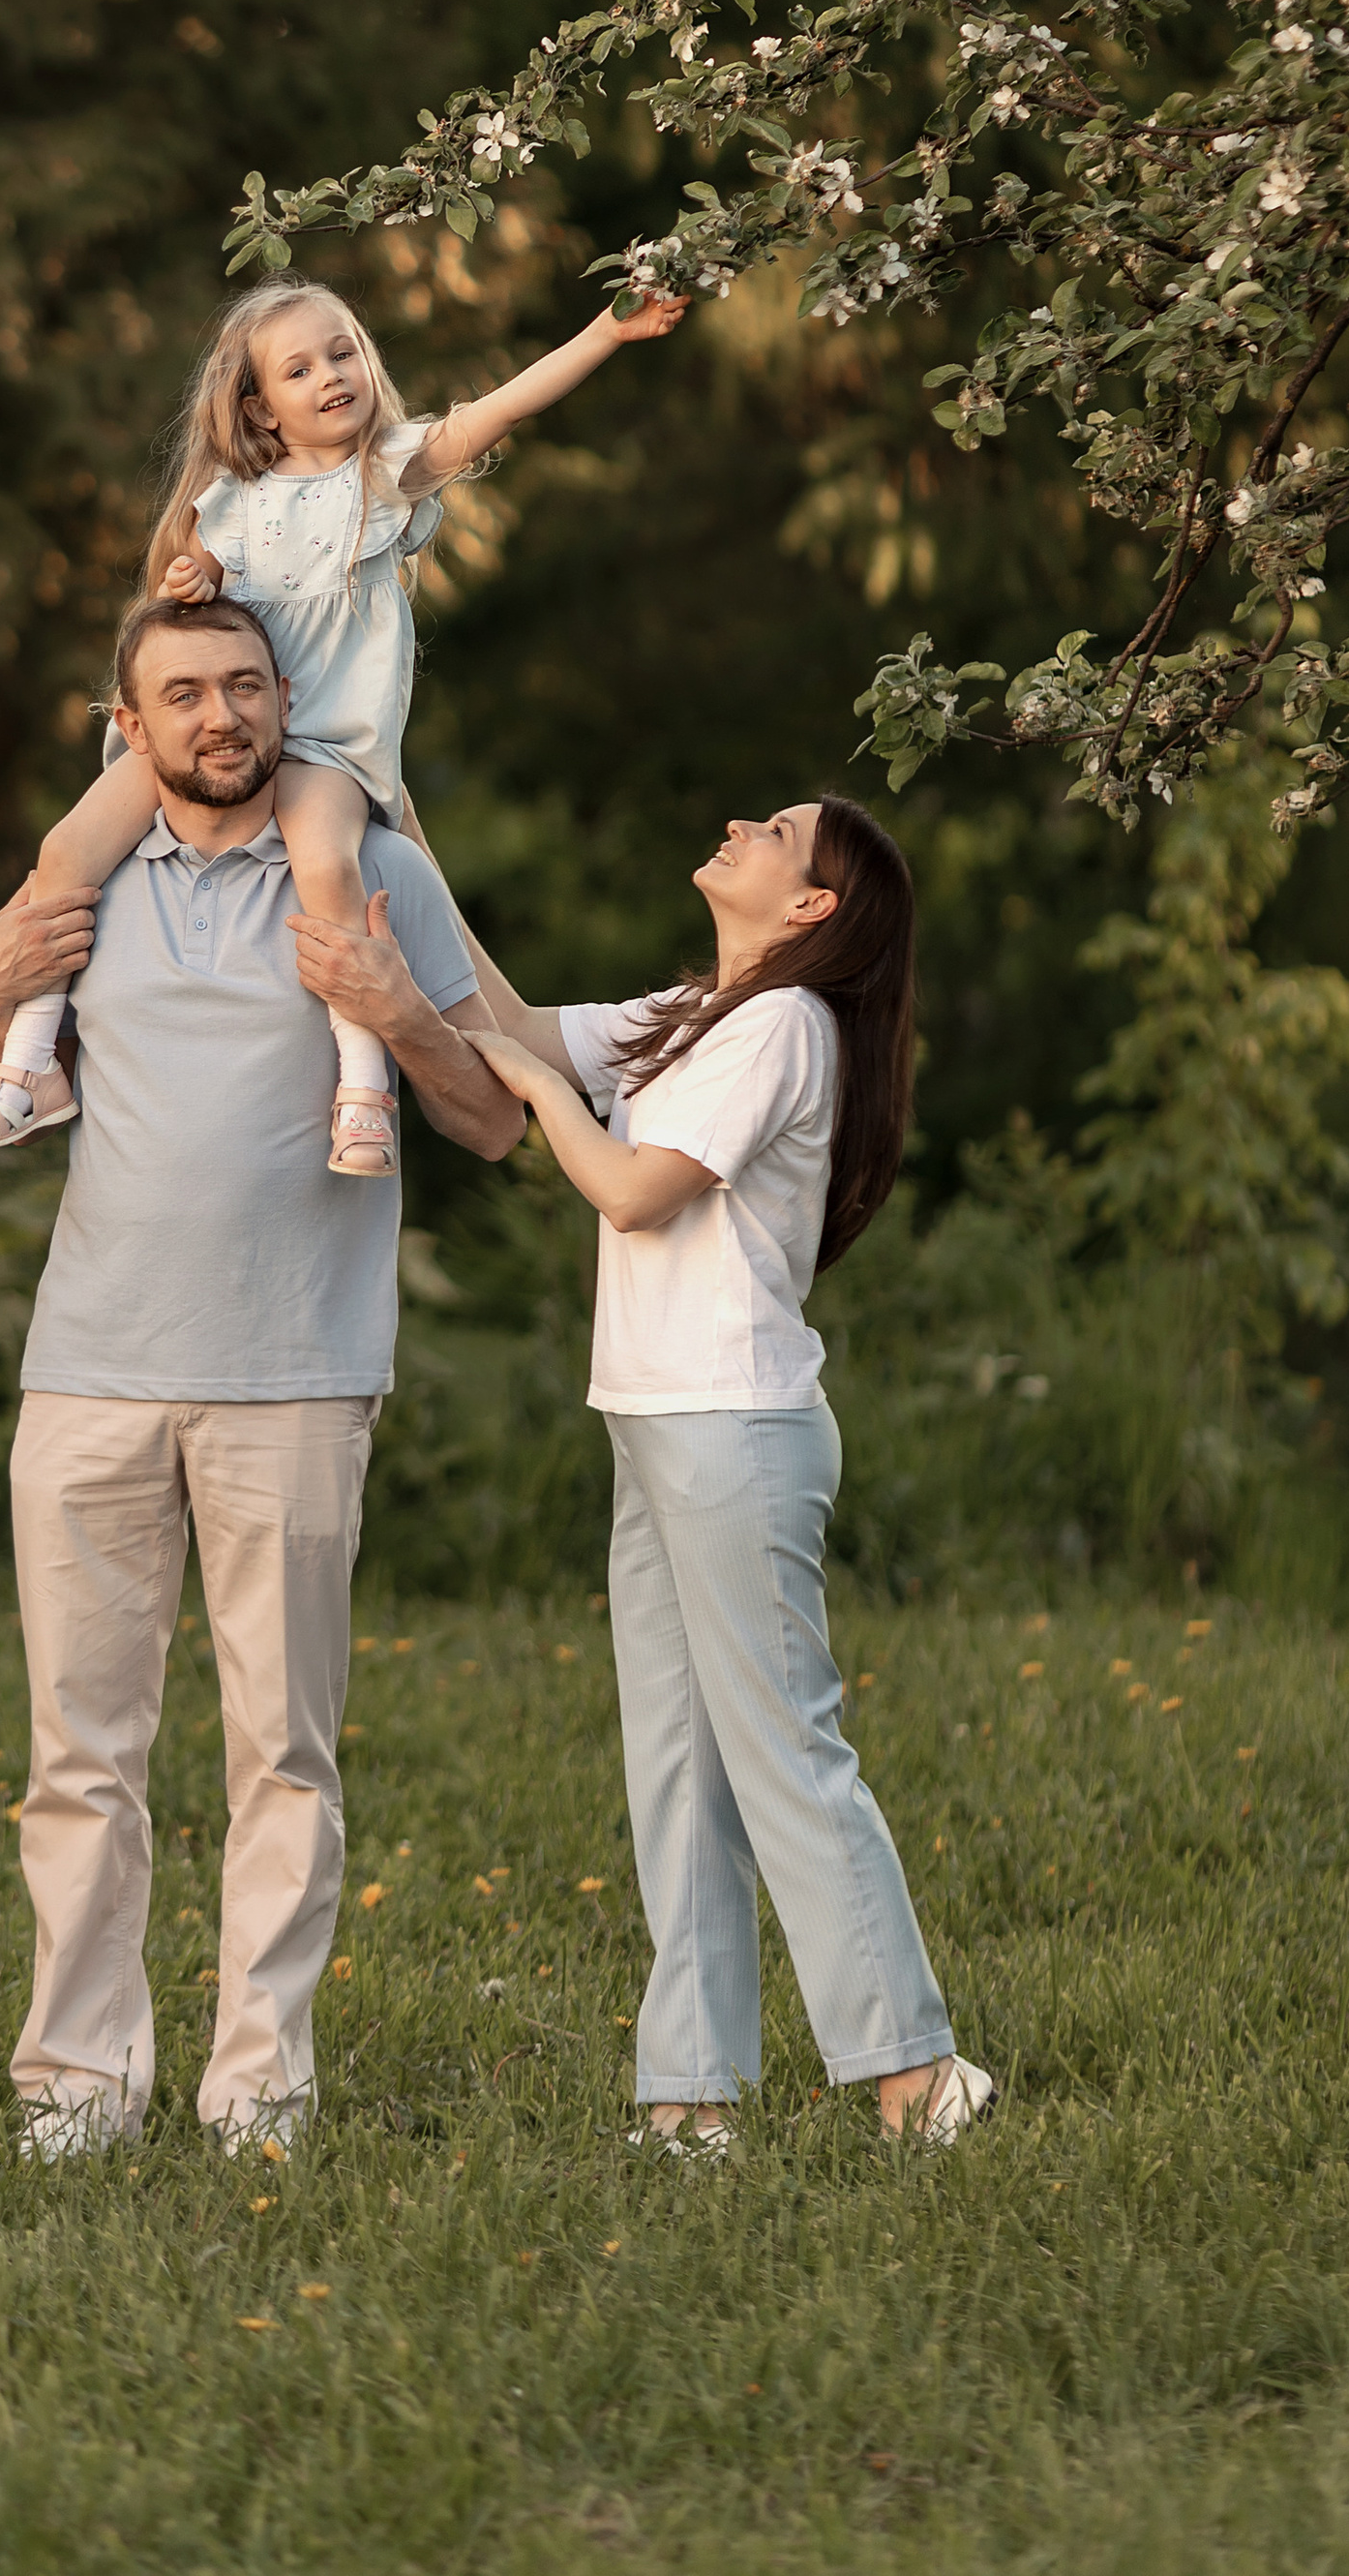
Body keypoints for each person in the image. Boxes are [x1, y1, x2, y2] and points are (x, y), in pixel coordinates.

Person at [0, 591, 525, 2157]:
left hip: (297, 1370)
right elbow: (2, 1059)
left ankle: (257, 2087)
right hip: (89, 1369)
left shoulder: (379, 866)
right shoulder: (86, 886)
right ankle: (77, 2085)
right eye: (184, 697)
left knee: (283, 1750)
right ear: (128, 729)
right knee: (80, 1753)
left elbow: (492, 1123)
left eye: (245, 688)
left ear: (288, 698)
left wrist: (393, 1007)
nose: (221, 719)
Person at [458, 800, 997, 2153]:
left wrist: (537, 1101)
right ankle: (691, 2096)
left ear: (813, 906)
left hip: (733, 1430)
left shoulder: (783, 1031)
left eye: (778, 830)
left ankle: (920, 2076)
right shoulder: (700, 1008)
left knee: (785, 1760)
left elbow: (637, 1190)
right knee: (679, 1770)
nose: (743, 824)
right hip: (656, 1422)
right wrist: (396, 821)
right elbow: (515, 1021)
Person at [0, 273, 682, 1177]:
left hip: (321, 742)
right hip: (225, 737)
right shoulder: (230, 504)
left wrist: (606, 335)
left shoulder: (383, 477)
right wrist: (190, 585)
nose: (332, 375)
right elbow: (183, 599)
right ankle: (26, 1068)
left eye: (343, 353)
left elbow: (498, 411)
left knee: (328, 870)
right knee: (64, 851)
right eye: (300, 370)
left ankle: (363, 1088)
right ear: (260, 410)